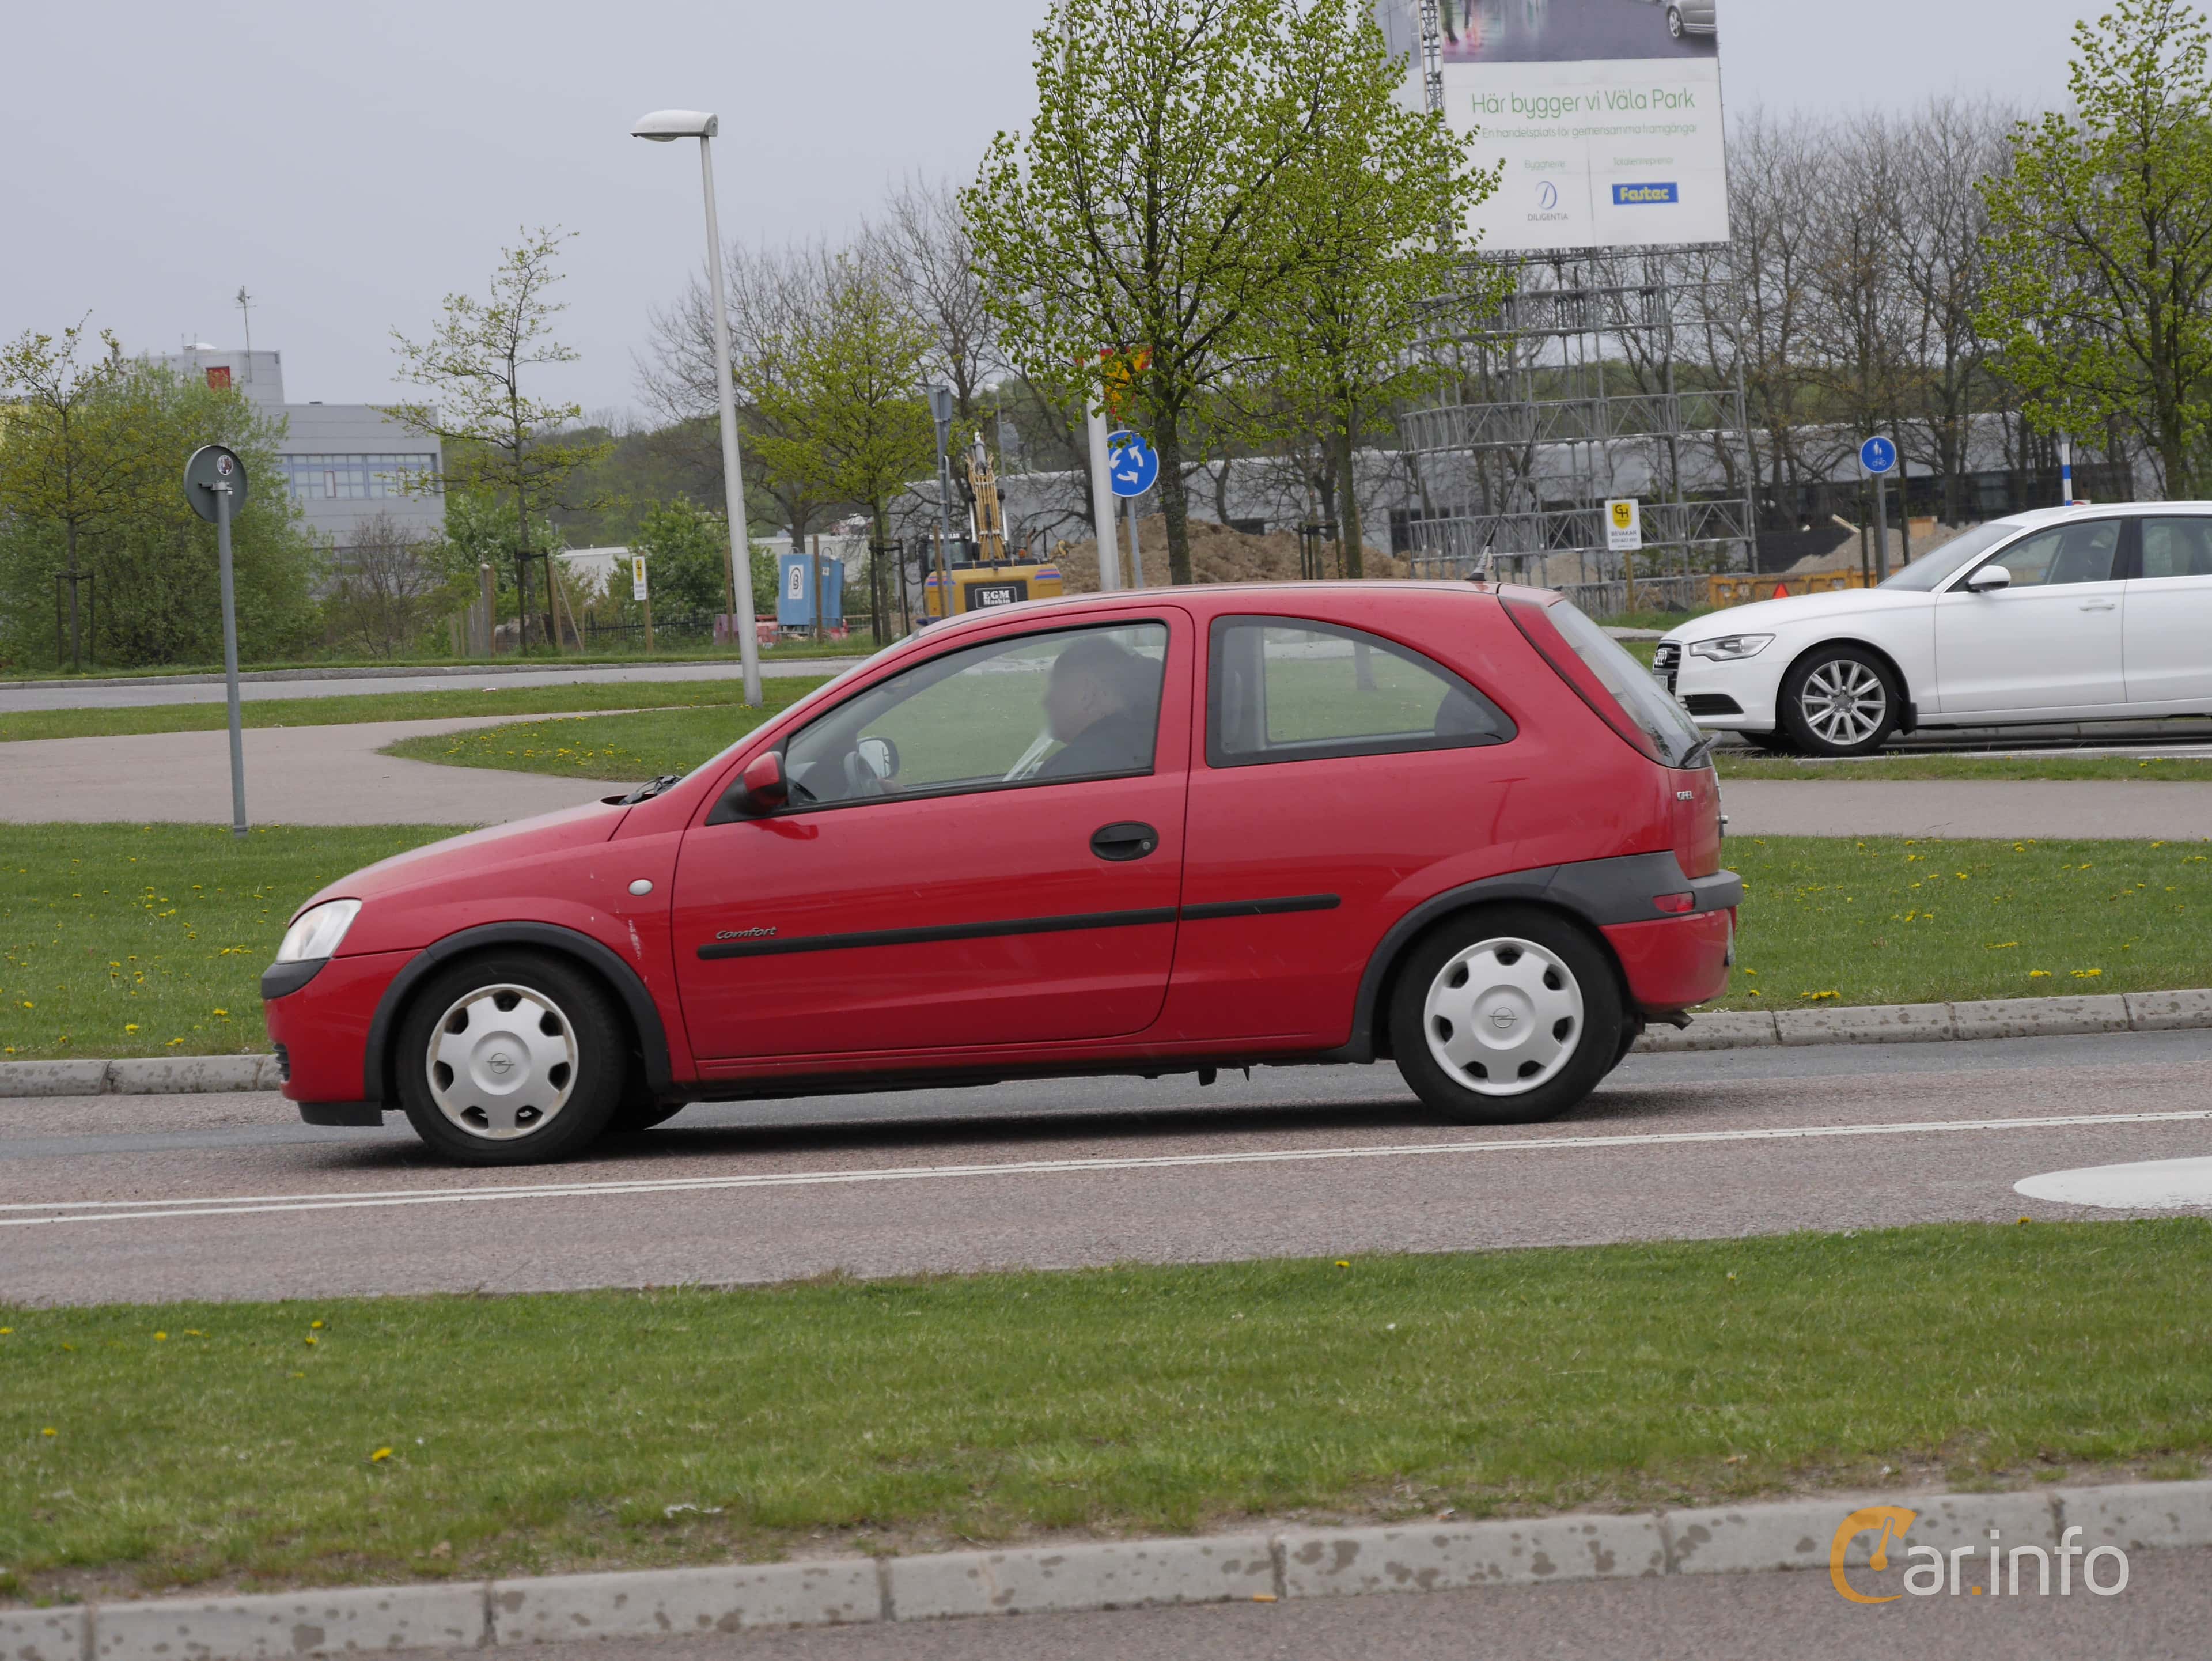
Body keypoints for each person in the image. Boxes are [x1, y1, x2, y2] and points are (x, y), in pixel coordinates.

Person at [1036, 635, 1158, 779]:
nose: (1046, 700)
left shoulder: (1069, 770)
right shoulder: (1149, 742)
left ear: (1086, 694)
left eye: (1056, 687)